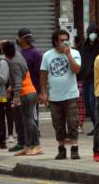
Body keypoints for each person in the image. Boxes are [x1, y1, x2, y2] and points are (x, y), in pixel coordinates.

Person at [39, 29, 81, 160]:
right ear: (55, 41)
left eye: (66, 40)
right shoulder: (47, 55)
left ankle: (74, 148)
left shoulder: (74, 53)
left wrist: (68, 55)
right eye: (62, 40)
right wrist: (43, 92)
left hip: (71, 95)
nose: (64, 42)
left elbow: (77, 70)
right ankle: (61, 149)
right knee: (58, 124)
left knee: (73, 122)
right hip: (55, 96)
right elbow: (43, 74)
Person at [2, 41, 42, 156]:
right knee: (26, 121)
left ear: (5, 53)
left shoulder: (14, 62)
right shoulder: (18, 55)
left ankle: (36, 145)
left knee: (29, 120)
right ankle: (28, 146)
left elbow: (18, 82)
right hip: (29, 92)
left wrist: (16, 97)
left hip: (26, 94)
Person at [16, 28, 43, 132]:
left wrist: (40, 92)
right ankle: (26, 134)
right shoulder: (19, 53)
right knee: (22, 114)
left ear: (23, 39)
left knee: (33, 113)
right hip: (21, 90)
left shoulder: (35, 53)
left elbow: (40, 73)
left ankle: (35, 133)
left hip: (32, 90)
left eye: (18, 37)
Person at [78, 24, 99, 136]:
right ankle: (95, 125)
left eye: (95, 32)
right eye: (91, 32)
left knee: (93, 103)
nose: (93, 34)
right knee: (87, 104)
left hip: (95, 78)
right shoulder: (84, 46)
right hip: (85, 79)